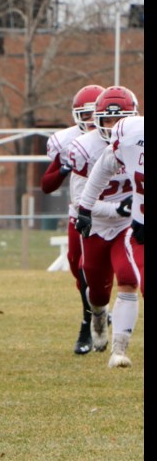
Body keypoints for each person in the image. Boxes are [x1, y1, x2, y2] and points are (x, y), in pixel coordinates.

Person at [70, 87, 140, 367]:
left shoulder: (138, 139)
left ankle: (120, 349)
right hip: (96, 224)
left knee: (127, 277)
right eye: (107, 120)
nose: (113, 127)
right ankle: (98, 315)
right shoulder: (85, 147)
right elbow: (80, 201)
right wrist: (114, 208)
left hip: (128, 224)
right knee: (97, 291)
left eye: (119, 120)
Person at [40, 84, 104, 354]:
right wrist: (65, 167)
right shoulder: (69, 142)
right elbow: (47, 184)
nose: (90, 120)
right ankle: (91, 317)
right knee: (79, 269)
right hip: (80, 212)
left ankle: (96, 319)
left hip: (116, 213)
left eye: (94, 113)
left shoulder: (122, 136)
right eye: (85, 114)